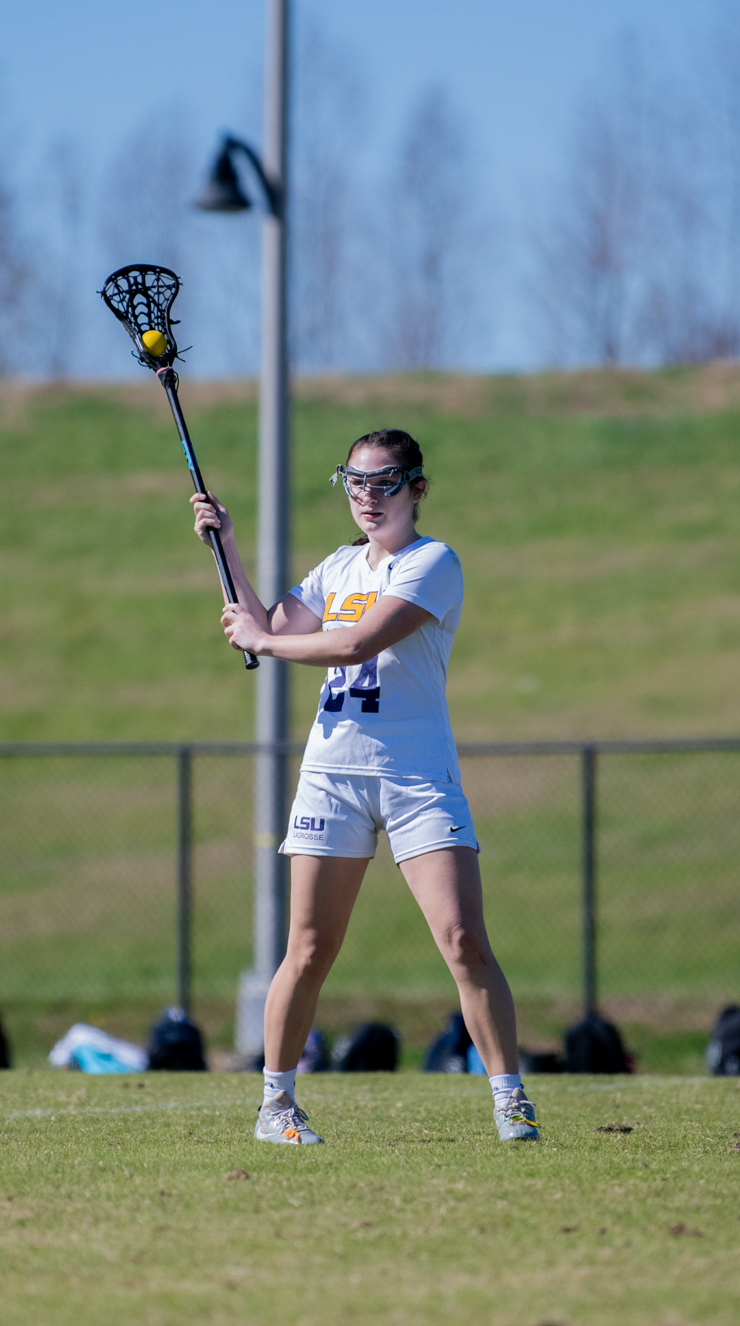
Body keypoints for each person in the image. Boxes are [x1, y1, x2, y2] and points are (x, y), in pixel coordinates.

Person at [190, 428, 539, 1145]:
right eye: (355, 482)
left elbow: (351, 644)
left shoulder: (434, 564)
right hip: (331, 777)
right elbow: (265, 624)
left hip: (416, 778)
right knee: (309, 949)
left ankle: (510, 1100)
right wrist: (224, 544)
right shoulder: (338, 567)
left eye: (384, 483)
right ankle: (276, 1107)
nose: (368, 497)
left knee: (465, 939)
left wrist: (264, 643)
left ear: (416, 487)